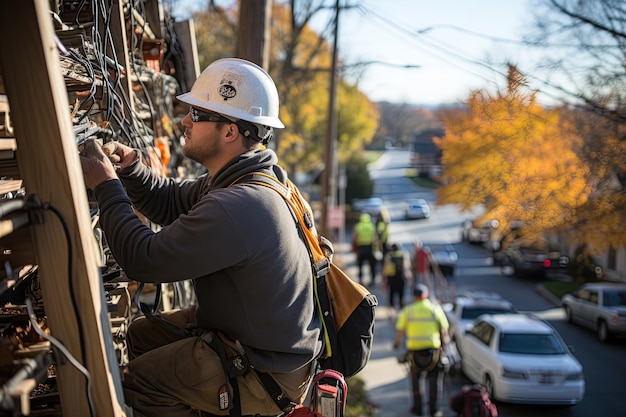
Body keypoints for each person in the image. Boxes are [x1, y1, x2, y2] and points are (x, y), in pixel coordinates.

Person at [80, 58, 322, 417]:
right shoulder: (248, 181)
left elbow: (144, 259)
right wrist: (131, 171)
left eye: (197, 112)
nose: (185, 121)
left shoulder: (239, 205)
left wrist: (106, 186)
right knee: (140, 336)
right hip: (260, 346)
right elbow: (172, 201)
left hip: (266, 374)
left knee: (142, 380)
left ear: (230, 132)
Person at [393, 284, 449, 417]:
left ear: (414, 296)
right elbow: (444, 331)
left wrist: (396, 345)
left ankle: (417, 409)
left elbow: (400, 331)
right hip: (434, 353)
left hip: (414, 354)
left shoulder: (408, 310)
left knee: (416, 381)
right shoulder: (435, 309)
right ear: (426, 295)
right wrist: (444, 347)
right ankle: (434, 410)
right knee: (435, 381)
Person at [352, 212, 378, 286]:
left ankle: (361, 281)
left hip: (361, 249)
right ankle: (372, 280)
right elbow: (375, 238)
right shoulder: (371, 226)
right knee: (371, 265)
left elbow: (355, 238)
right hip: (370, 248)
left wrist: (355, 248)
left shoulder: (358, 227)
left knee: (360, 265)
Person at [382, 243, 408, 314]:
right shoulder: (403, 254)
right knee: (401, 291)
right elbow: (406, 265)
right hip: (401, 276)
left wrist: (384, 278)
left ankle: (392, 305)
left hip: (391, 276)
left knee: (392, 291)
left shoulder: (389, 255)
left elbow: (386, 267)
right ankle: (401, 303)